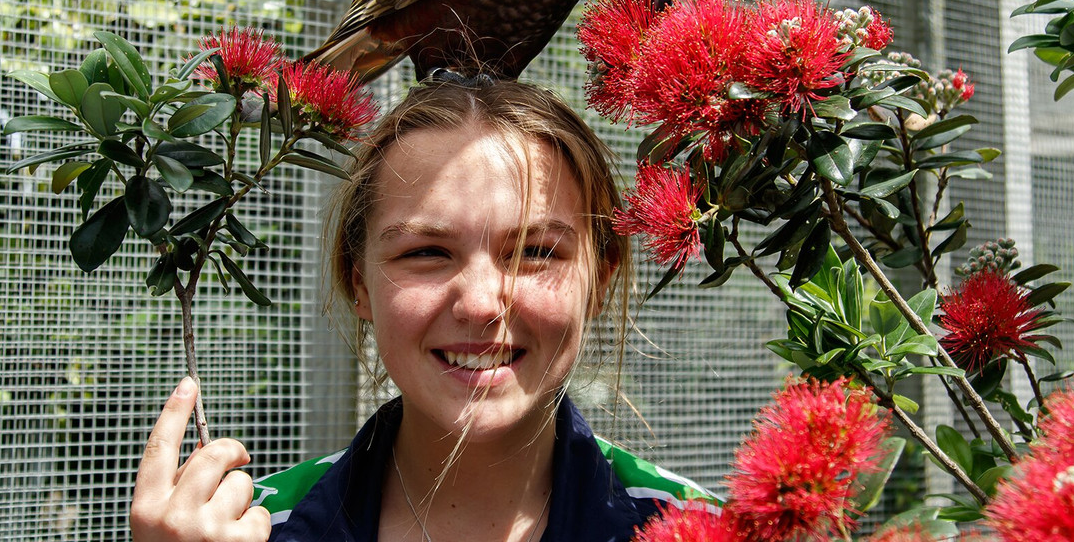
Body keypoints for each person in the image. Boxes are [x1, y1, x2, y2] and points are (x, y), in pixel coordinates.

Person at [130, 80, 713, 542]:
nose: (482, 304)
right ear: (358, 285)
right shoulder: (252, 534)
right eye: (427, 252)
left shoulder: (711, 532)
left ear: (601, 282)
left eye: (535, 252)